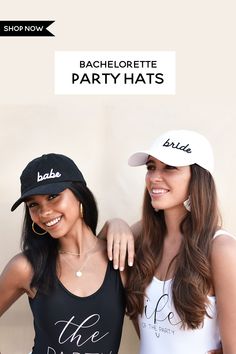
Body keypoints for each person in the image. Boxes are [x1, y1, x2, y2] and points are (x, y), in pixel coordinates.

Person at [104, 130, 235, 353]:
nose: (154, 177)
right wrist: (113, 224)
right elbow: (92, 260)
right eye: (151, 167)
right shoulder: (143, 237)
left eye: (170, 167)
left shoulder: (222, 249)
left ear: (198, 177)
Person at [0, 153, 126, 354]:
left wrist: (118, 223)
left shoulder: (119, 259)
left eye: (53, 196)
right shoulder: (25, 267)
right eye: (34, 205)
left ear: (79, 195)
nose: (44, 212)